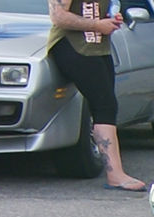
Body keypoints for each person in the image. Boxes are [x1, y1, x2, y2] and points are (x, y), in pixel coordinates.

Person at [46, 0, 143, 190]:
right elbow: (58, 16)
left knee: (107, 105)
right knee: (104, 105)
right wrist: (96, 25)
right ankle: (115, 175)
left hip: (97, 45)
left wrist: (112, 19)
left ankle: (115, 172)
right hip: (73, 45)